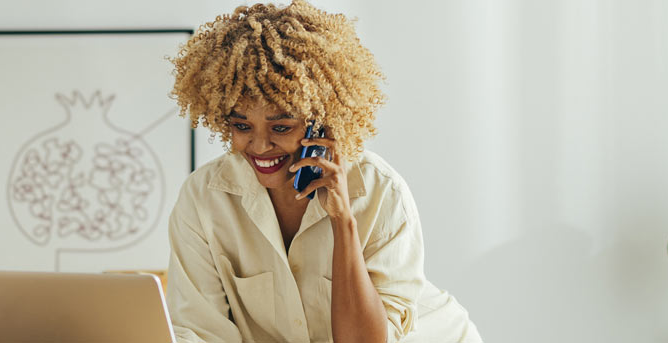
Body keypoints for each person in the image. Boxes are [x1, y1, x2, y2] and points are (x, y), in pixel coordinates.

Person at [164, 1, 482, 342]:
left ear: (320, 122)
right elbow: (200, 331)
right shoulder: (204, 197)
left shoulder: (379, 191)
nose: (258, 146)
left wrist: (343, 222)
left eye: (281, 127)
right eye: (242, 125)